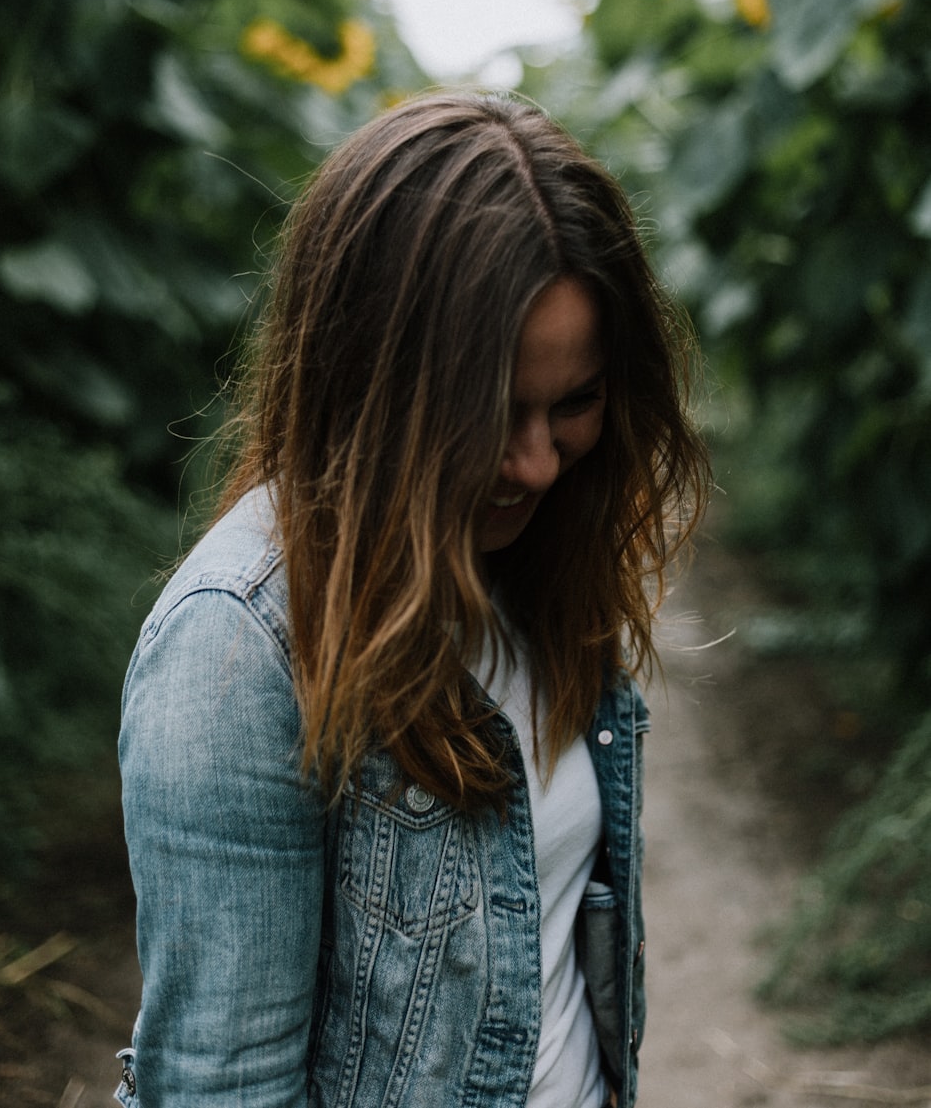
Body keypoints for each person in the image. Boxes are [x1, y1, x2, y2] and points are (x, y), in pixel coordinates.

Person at [117, 90, 709, 1108]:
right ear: (372, 383)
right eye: (488, 413)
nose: (534, 464)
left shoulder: (534, 564)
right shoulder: (238, 649)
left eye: (573, 403)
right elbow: (223, 1087)